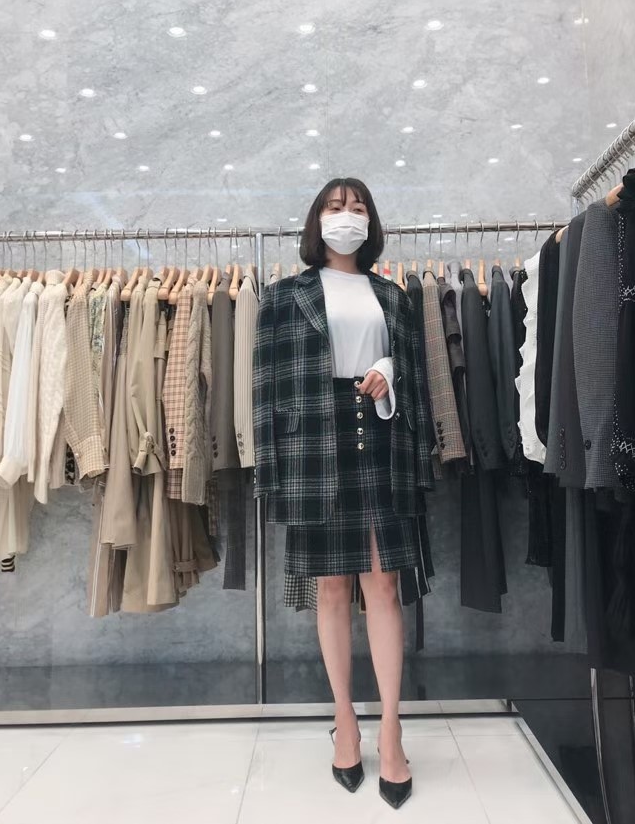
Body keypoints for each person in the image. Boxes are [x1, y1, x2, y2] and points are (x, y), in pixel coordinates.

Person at [253, 178, 433, 809]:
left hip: (379, 439)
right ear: (317, 220)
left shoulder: (394, 296)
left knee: (383, 585)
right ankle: (345, 720)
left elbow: (416, 374)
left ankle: (391, 728)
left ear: (371, 222)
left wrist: (390, 369)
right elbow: (266, 389)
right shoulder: (284, 296)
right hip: (312, 444)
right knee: (332, 588)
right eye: (335, 207)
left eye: (357, 208)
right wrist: (270, 472)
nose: (346, 216)